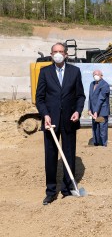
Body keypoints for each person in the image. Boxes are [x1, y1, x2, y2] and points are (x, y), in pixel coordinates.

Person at [36, 42, 86, 205]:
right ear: (51, 54)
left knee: (69, 154)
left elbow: (80, 96)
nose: (58, 54)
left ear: (66, 54)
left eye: (61, 51)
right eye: (55, 51)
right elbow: (40, 98)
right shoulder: (44, 72)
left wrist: (78, 111)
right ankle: (51, 191)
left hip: (69, 121)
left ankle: (67, 187)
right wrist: (45, 115)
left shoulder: (75, 71)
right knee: (50, 156)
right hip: (51, 122)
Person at [88, 70, 110, 147]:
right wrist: (89, 109)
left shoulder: (105, 85)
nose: (95, 75)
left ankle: (104, 144)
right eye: (93, 74)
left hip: (102, 111)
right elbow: (90, 97)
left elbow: (101, 98)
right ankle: (96, 143)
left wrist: (96, 111)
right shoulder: (92, 84)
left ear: (101, 75)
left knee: (102, 128)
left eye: (97, 74)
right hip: (94, 111)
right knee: (95, 128)